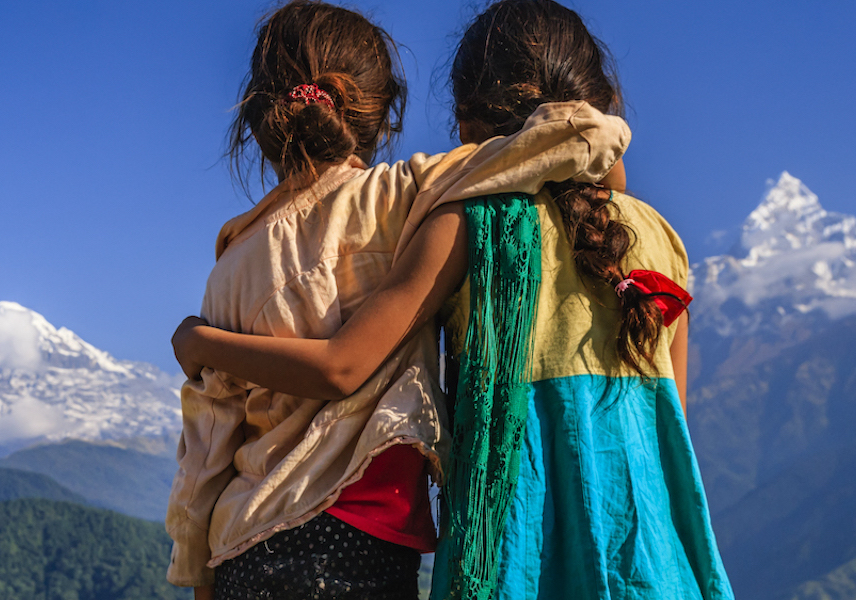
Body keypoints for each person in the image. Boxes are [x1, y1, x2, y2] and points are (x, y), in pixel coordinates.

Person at [171, 1, 734, 599]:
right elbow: (674, 421)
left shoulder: (462, 225)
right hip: (649, 556)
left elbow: (215, 439)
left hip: (502, 551)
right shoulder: (657, 241)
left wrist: (198, 573)